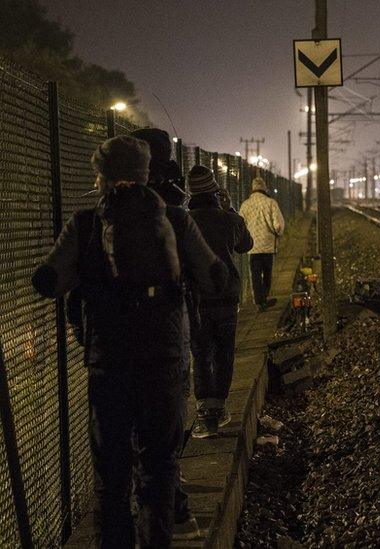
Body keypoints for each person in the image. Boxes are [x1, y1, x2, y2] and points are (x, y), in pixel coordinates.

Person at [32, 136, 226, 548]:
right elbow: (214, 277)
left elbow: (48, 281)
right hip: (165, 358)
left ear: (101, 176)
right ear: (145, 171)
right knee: (159, 467)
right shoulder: (174, 218)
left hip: (109, 362)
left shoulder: (86, 223)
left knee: (112, 476)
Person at [131, 127, 199, 540]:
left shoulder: (110, 204)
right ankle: (173, 501)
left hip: (124, 332)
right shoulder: (175, 203)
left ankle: (152, 497)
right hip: (171, 327)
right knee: (170, 411)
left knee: (137, 422)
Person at [186, 166, 253, 438]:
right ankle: (219, 406)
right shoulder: (228, 219)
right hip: (226, 295)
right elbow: (245, 245)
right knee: (224, 351)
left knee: (200, 353)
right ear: (215, 190)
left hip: (197, 297)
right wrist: (231, 210)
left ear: (190, 191)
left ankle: (204, 412)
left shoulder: (184, 221)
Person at [239, 176, 285, 311]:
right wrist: (278, 232)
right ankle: (264, 297)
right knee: (267, 273)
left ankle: (259, 301)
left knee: (255, 275)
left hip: (252, 246)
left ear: (252, 189)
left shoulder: (245, 205)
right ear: (264, 188)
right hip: (267, 245)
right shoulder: (271, 203)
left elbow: (241, 224)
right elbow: (278, 225)